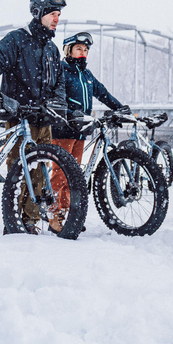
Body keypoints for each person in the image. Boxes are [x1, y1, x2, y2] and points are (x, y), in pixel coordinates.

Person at [0, 0, 68, 234]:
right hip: (19, 118)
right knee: (18, 170)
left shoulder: (52, 49)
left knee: (39, 172)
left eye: (58, 14)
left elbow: (59, 83)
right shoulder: (16, 40)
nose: (56, 18)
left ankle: (30, 221)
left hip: (43, 120)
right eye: (52, 13)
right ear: (38, 13)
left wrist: (57, 103)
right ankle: (13, 221)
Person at [49, 31, 124, 233]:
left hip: (81, 130)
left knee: (74, 174)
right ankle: (52, 212)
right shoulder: (62, 71)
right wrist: (72, 114)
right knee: (60, 173)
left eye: (86, 50)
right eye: (79, 49)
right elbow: (59, 99)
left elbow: (103, 93)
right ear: (69, 50)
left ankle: (66, 213)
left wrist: (119, 107)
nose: (83, 53)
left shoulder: (87, 75)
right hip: (63, 129)